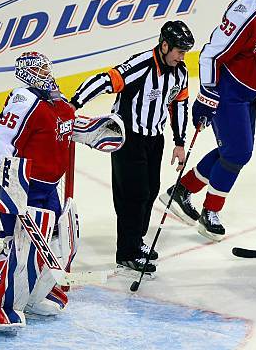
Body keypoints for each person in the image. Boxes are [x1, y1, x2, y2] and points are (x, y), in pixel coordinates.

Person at [159, 0, 256, 242]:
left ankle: (182, 190)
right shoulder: (245, 11)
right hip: (227, 91)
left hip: (249, 93)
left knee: (231, 151)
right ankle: (210, 212)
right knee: (239, 152)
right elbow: (210, 54)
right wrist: (207, 93)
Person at [70, 20, 194, 273]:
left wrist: (179, 142)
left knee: (150, 191)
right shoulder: (140, 65)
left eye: (185, 53)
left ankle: (136, 241)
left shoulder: (180, 72)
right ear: (165, 45)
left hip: (154, 140)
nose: (182, 57)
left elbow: (179, 105)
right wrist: (73, 104)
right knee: (133, 195)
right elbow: (105, 80)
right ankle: (126, 252)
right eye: (179, 51)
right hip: (127, 138)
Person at [0, 52, 77, 332]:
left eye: (47, 68)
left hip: (48, 188)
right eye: (40, 69)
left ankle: (34, 295)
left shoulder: (54, 100)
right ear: (26, 72)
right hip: (20, 186)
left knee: (50, 244)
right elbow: (0, 139)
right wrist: (10, 181)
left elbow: (67, 127)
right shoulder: (24, 100)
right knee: (19, 246)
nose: (46, 73)